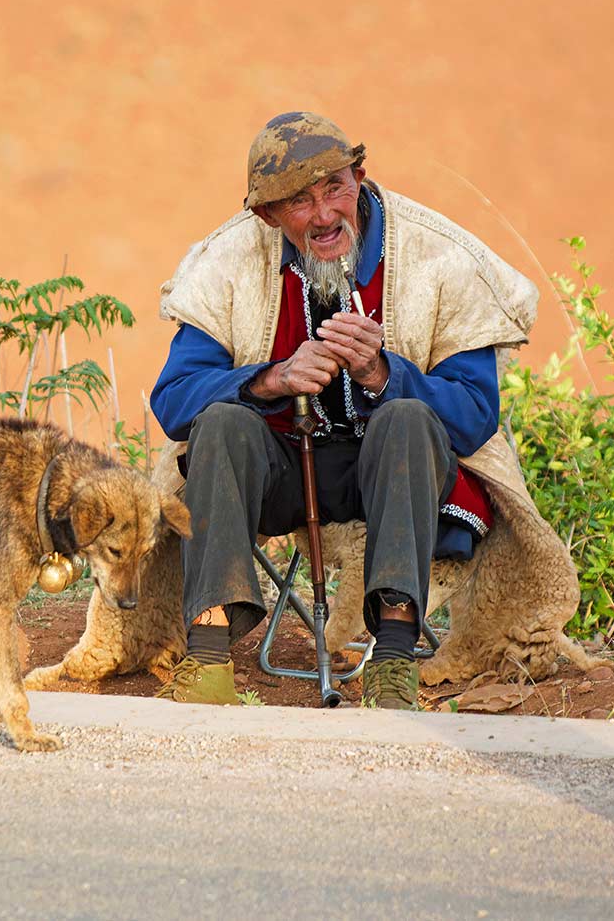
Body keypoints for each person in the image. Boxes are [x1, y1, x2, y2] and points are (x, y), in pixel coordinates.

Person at [149, 112, 558, 709]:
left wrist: (381, 374)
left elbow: (475, 414)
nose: (322, 215)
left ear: (360, 177)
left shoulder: (438, 255)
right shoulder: (228, 258)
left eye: (335, 188)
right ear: (266, 215)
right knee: (221, 423)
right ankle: (208, 658)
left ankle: (393, 660)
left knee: (408, 417)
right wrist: (272, 378)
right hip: (281, 469)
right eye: (298, 202)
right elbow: (174, 396)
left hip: (401, 476)